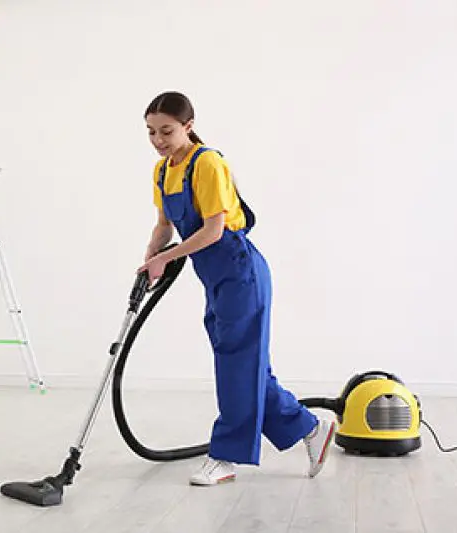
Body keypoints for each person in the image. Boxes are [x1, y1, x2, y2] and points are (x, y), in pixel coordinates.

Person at [138, 91, 335, 486]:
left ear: (188, 126)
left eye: (167, 131)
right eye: (150, 132)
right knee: (245, 364)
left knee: (235, 363)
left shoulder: (207, 163)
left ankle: (225, 457)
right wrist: (149, 261)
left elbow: (213, 229)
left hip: (240, 271)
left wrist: (169, 258)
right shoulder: (162, 171)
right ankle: (311, 430)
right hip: (214, 277)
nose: (158, 140)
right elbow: (164, 225)